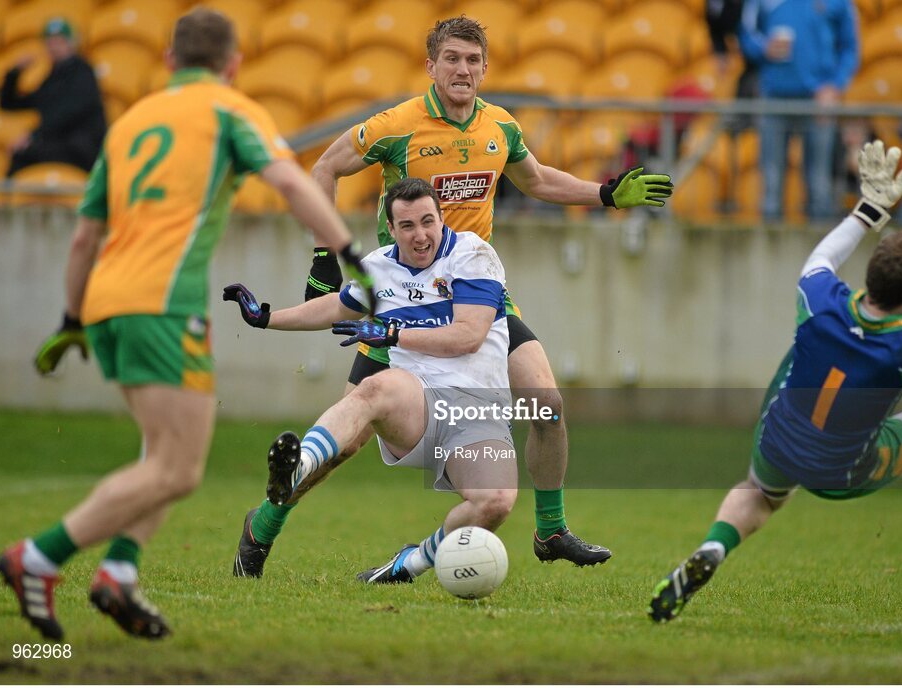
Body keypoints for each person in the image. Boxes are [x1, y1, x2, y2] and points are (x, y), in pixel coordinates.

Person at [232, 15, 675, 578]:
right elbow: (324, 168)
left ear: (485, 67)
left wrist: (606, 193)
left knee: (548, 404)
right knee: (348, 442)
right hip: (404, 302)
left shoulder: (500, 127)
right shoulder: (397, 125)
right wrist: (323, 255)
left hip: (478, 300)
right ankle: (263, 525)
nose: (463, 70)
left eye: (472, 60)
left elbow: (535, 181)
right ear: (432, 66)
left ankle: (551, 529)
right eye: (452, 59)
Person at [0, 7, 371, 641]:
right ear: (234, 64)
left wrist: (71, 317)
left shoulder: (131, 122)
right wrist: (350, 253)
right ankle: (37, 559)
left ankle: (119, 572)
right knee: (178, 469)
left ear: (169, 60)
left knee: (162, 453)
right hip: (164, 305)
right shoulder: (230, 109)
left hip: (105, 303)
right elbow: (289, 180)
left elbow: (86, 233)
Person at [649, 141, 902, 622]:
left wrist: (868, 210)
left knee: (760, 494)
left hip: (779, 438)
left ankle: (714, 548)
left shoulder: (821, 297)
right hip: (845, 470)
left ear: (870, 275)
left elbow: (823, 257)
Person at [226, 177, 518, 584]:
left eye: (428, 222)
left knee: (496, 502)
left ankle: (408, 564)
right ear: (391, 228)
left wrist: (395, 334)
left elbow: (469, 336)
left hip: (477, 413)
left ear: (441, 218)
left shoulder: (474, 255)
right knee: (378, 387)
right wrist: (267, 318)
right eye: (408, 226)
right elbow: (337, 307)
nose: (421, 236)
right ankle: (296, 469)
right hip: (416, 408)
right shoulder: (379, 267)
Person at [738, 0, 859, 221]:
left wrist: (835, 86)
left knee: (819, 183)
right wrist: (763, 48)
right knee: (771, 183)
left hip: (819, 101)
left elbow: (850, 47)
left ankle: (820, 250)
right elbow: (746, 33)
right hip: (773, 98)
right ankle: (768, 245)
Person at [0, 17, 107, 177]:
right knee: (20, 156)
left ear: (71, 43)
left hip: (82, 147)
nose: (54, 47)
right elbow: (8, 104)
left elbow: (69, 112)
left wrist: (33, 135)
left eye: (59, 42)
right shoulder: (51, 78)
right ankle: (9, 201)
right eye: (50, 42)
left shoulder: (82, 71)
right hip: (60, 144)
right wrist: (13, 74)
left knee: (24, 154)